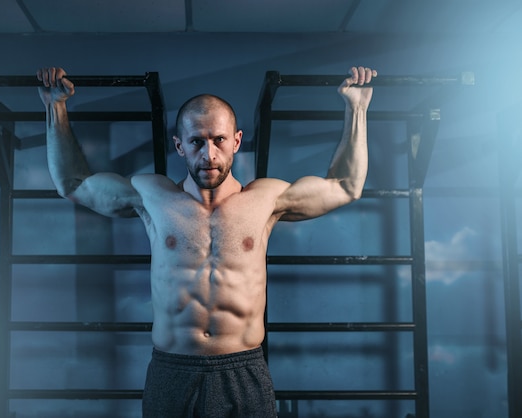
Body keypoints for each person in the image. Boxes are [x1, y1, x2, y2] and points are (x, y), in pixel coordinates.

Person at [37, 65, 377, 418]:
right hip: (173, 370)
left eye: (218, 140)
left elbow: (346, 186)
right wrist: (55, 107)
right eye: (197, 141)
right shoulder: (153, 196)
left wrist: (357, 108)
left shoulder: (267, 199)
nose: (209, 155)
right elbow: (73, 183)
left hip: (242, 368)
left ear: (237, 141)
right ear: (180, 146)